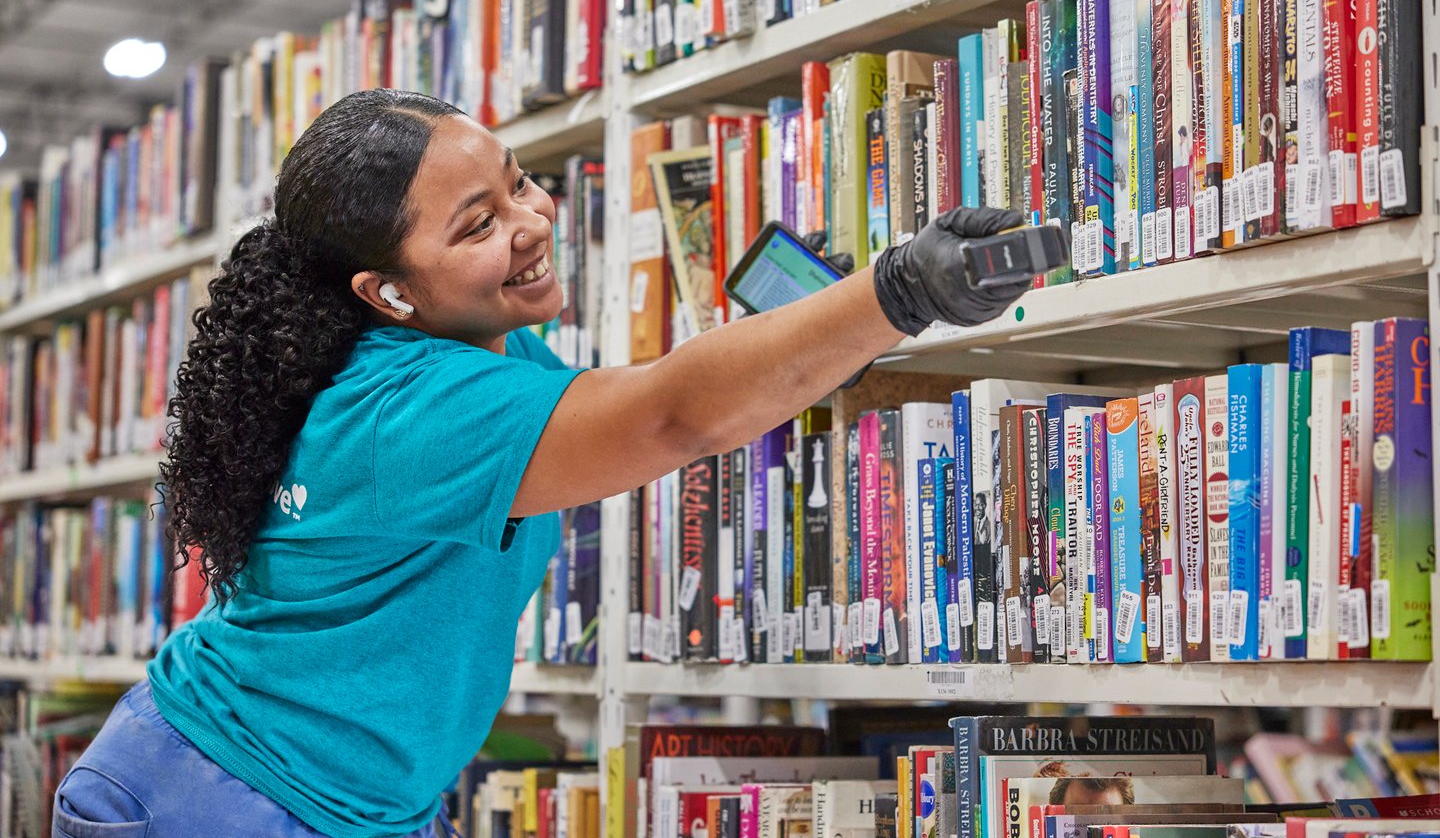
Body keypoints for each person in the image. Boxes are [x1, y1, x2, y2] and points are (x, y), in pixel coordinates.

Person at [50, 89, 1032, 838]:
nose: (531, 221)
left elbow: (634, 405)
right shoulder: (412, 411)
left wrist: (813, 327)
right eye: (476, 225)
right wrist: (896, 292)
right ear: (387, 294)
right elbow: (670, 420)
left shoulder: (485, 342)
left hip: (340, 797)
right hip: (219, 797)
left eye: (517, 181)